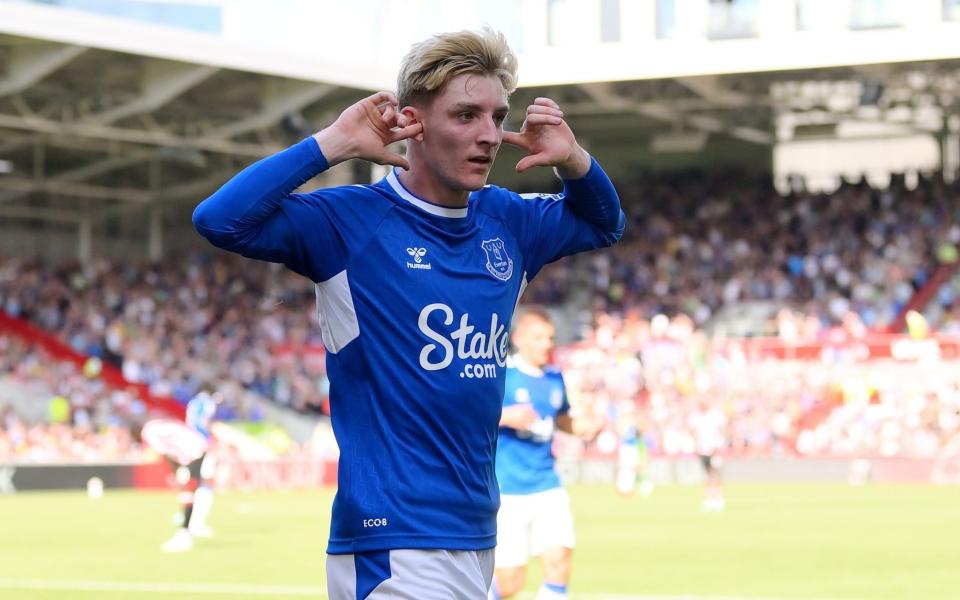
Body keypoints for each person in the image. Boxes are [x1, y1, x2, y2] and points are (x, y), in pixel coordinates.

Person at [193, 27, 624, 598]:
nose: (490, 135)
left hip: (475, 532)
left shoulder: (509, 221)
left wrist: (573, 159)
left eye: (498, 116)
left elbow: (603, 224)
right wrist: (332, 144)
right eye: (466, 115)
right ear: (412, 120)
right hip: (390, 538)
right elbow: (220, 220)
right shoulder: (350, 221)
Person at [490, 307, 602, 600]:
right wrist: (504, 415)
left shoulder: (555, 378)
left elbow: (562, 420)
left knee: (559, 562)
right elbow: (470, 414)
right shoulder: (502, 375)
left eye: (550, 338)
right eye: (538, 338)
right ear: (519, 339)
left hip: (547, 486)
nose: (546, 344)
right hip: (508, 490)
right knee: (511, 582)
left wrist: (585, 427)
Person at [161, 387, 218, 552]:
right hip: (200, 443)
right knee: (203, 483)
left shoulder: (193, 403)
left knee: (193, 483)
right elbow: (206, 422)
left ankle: (189, 519)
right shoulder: (207, 402)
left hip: (189, 442)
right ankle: (195, 522)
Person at [689, 399, 726, 512]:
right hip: (703, 450)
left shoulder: (715, 415)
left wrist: (718, 444)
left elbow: (723, 428)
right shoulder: (696, 416)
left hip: (714, 449)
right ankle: (710, 499)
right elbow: (693, 430)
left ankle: (718, 499)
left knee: (715, 473)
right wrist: (696, 443)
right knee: (708, 474)